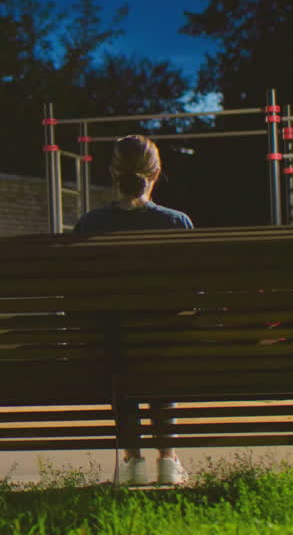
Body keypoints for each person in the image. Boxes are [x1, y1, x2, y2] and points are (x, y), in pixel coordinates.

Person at [73, 134, 191, 486]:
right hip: (163, 348)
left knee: (118, 355)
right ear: (156, 173)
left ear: (113, 173)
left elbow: (78, 297)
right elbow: (191, 296)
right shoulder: (176, 224)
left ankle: (132, 460)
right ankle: (168, 461)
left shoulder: (90, 225)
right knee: (160, 350)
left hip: (111, 349)